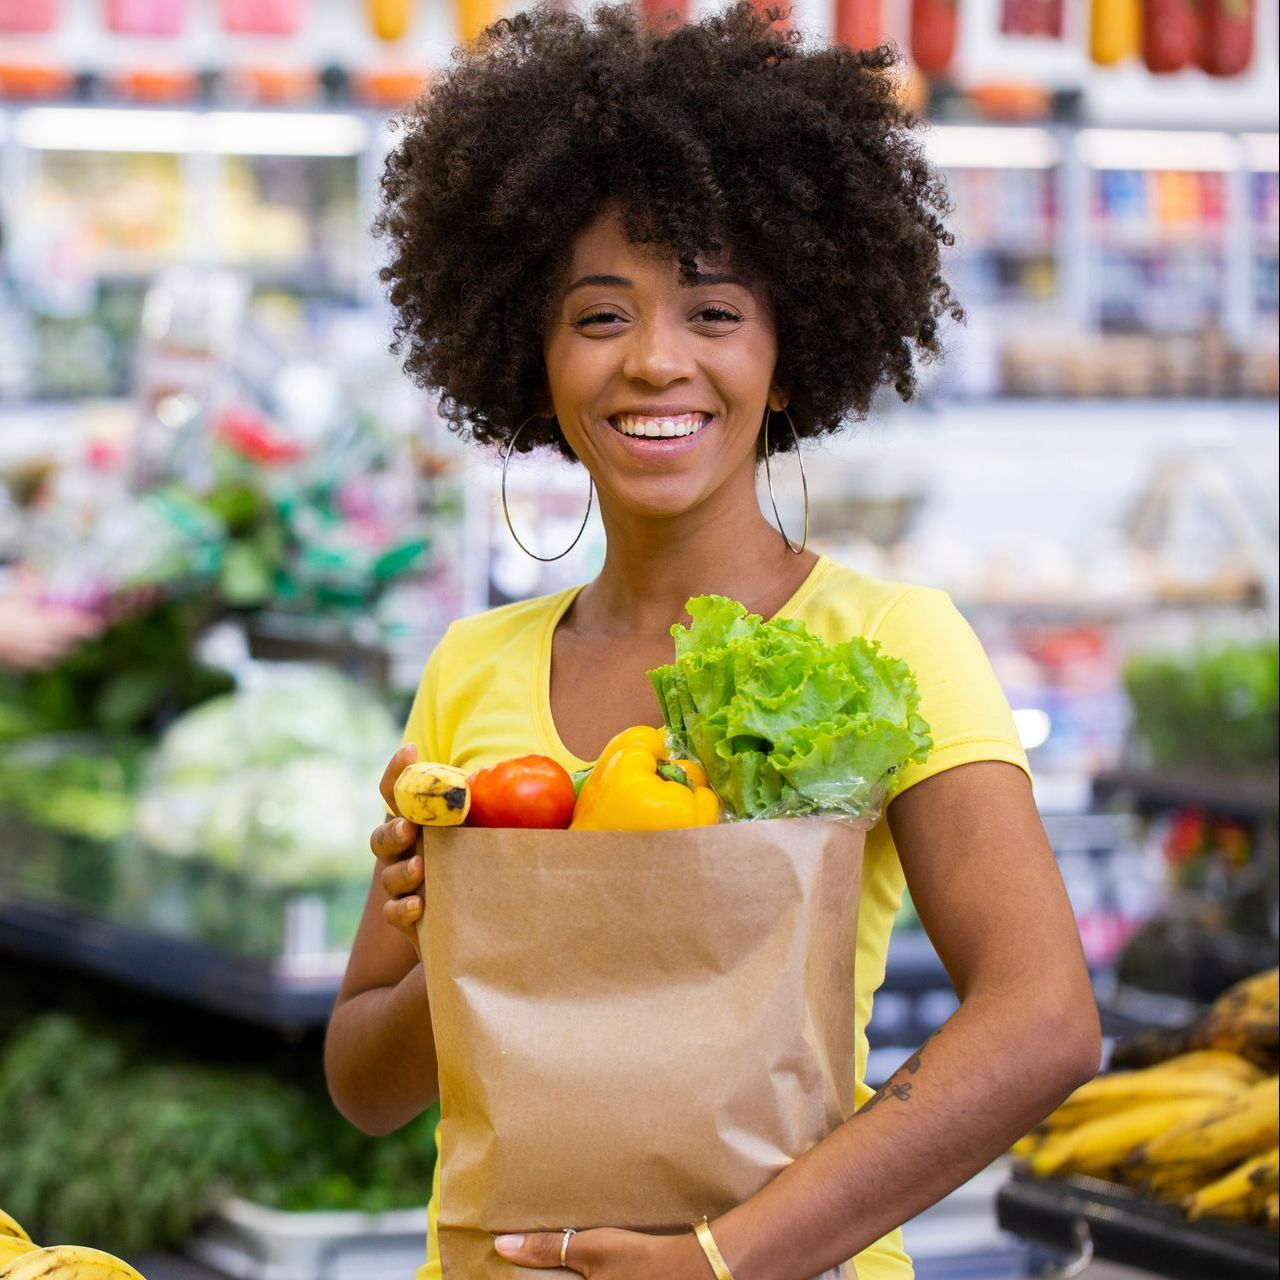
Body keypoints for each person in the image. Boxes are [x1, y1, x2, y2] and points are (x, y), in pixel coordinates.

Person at [324, 6, 1101, 1278]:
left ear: (789, 357)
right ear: (532, 354)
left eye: (712, 312)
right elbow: (367, 1080)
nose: (652, 363)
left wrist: (722, 1259)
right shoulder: (473, 665)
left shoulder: (889, 638)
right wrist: (461, 937)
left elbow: (1042, 1021)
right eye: (597, 316)